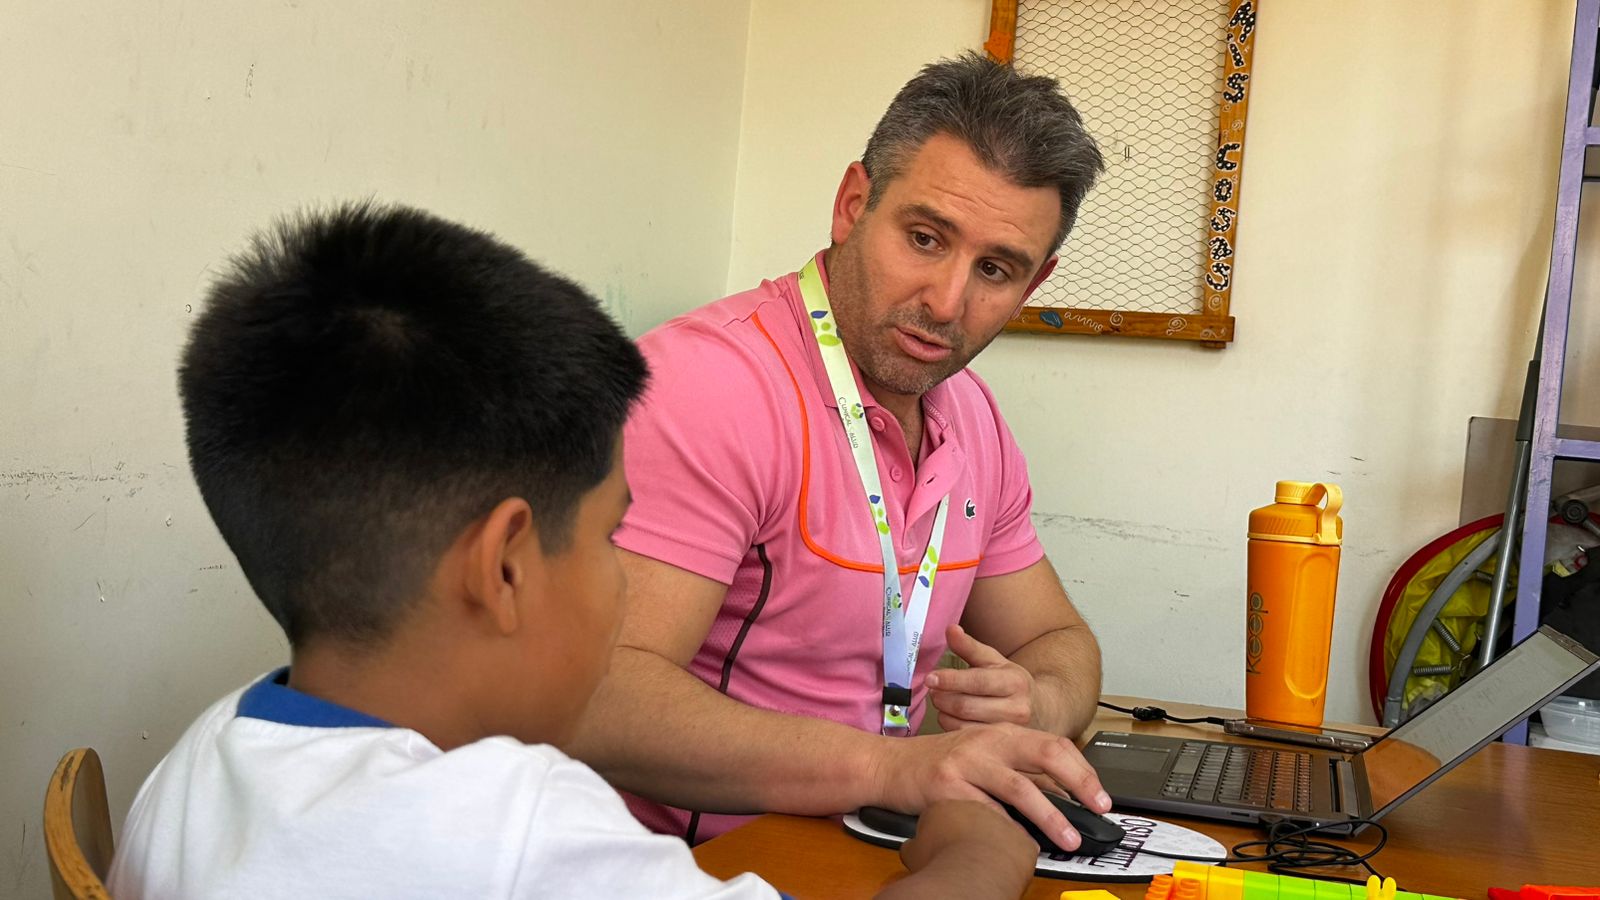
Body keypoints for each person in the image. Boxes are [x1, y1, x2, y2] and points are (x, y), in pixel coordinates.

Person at [107, 202, 1037, 899]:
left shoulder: (199, 761)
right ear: (506, 567)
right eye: (606, 537)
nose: (624, 582)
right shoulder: (524, 829)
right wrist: (980, 850)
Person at [571, 53, 1112, 852]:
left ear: (1034, 284)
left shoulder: (974, 417)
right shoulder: (707, 385)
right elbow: (597, 697)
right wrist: (894, 770)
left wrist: (1038, 703)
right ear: (853, 204)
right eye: (925, 238)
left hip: (868, 851)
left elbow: (1061, 640)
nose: (947, 302)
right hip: (690, 866)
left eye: (996, 270)